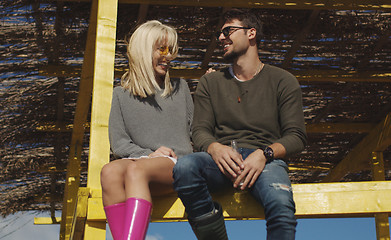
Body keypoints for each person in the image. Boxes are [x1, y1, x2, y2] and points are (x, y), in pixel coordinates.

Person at [172, 9, 307, 240]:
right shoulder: (210, 81)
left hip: (266, 161)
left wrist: (264, 154)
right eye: (220, 34)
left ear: (251, 33)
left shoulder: (283, 80)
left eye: (228, 31)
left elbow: (296, 136)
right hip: (222, 161)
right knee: (184, 168)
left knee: (281, 204)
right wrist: (215, 148)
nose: (221, 38)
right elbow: (200, 130)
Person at [101, 20, 194, 240]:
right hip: (142, 162)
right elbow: (120, 143)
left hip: (177, 164)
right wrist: (148, 155)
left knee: (137, 170)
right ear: (143, 50)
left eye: (171, 49)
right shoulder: (120, 95)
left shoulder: (181, 89)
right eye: (161, 49)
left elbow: (196, 131)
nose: (168, 55)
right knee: (109, 171)